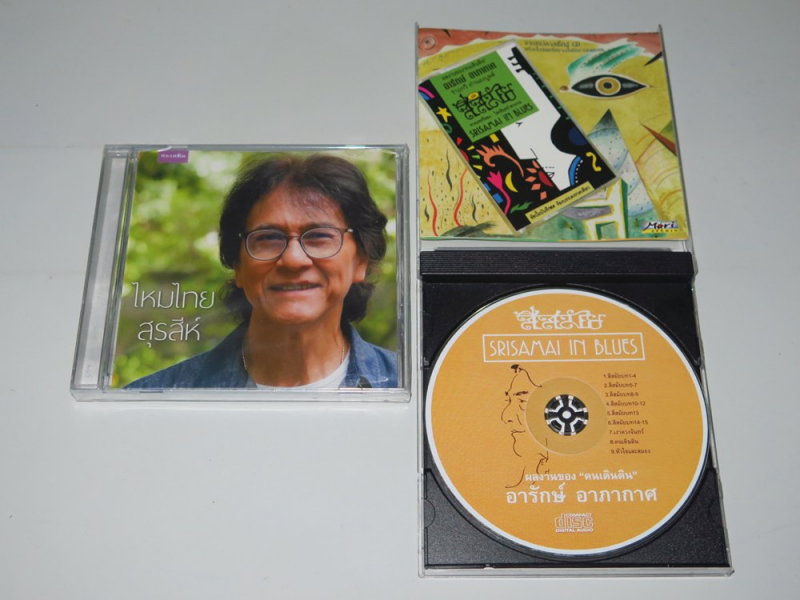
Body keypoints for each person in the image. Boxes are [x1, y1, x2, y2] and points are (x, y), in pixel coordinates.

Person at [127, 154, 397, 389]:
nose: (293, 260)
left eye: (319, 236)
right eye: (268, 238)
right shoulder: (152, 402)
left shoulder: (411, 391)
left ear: (361, 260)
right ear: (238, 266)